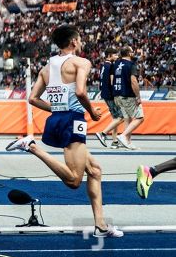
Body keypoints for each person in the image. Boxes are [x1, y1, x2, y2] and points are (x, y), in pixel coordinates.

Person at [7, 24, 120, 236]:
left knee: (94, 170)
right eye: (80, 39)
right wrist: (92, 112)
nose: (81, 42)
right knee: (74, 181)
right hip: (73, 119)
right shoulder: (81, 62)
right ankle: (32, 147)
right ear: (73, 42)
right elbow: (80, 91)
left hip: (57, 118)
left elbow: (32, 99)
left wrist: (58, 108)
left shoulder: (46, 68)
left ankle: (101, 226)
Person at [107, 44, 144, 150]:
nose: (133, 53)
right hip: (127, 95)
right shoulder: (131, 64)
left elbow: (112, 80)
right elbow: (133, 81)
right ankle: (123, 136)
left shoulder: (116, 63)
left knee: (127, 118)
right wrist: (138, 97)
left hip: (117, 95)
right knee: (140, 117)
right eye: (132, 51)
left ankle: (127, 142)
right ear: (128, 53)